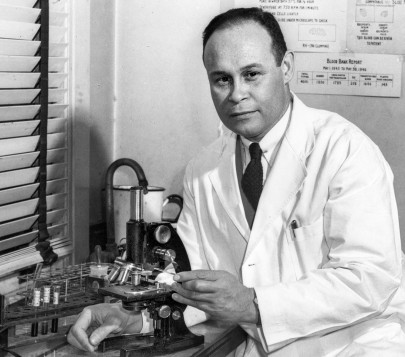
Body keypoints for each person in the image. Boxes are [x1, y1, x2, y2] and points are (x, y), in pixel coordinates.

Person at [68, 7, 405, 356]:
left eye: (252, 74)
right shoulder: (202, 171)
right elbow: (196, 286)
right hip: (261, 346)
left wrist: (252, 303)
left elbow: (370, 279)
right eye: (222, 79)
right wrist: (135, 319)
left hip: (355, 345)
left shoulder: (345, 150)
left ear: (286, 67)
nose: (236, 94)